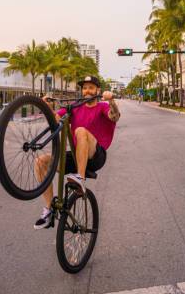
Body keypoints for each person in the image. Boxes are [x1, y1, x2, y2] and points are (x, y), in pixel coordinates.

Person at [33, 76, 121, 229]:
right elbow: (56, 118)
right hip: (76, 155)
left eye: (91, 87)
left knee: (80, 131)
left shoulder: (102, 106)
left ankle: (80, 178)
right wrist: (45, 106)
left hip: (96, 155)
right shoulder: (74, 107)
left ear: (97, 90)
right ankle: (49, 211)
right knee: (41, 162)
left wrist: (111, 101)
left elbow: (114, 117)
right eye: (85, 88)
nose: (87, 90)